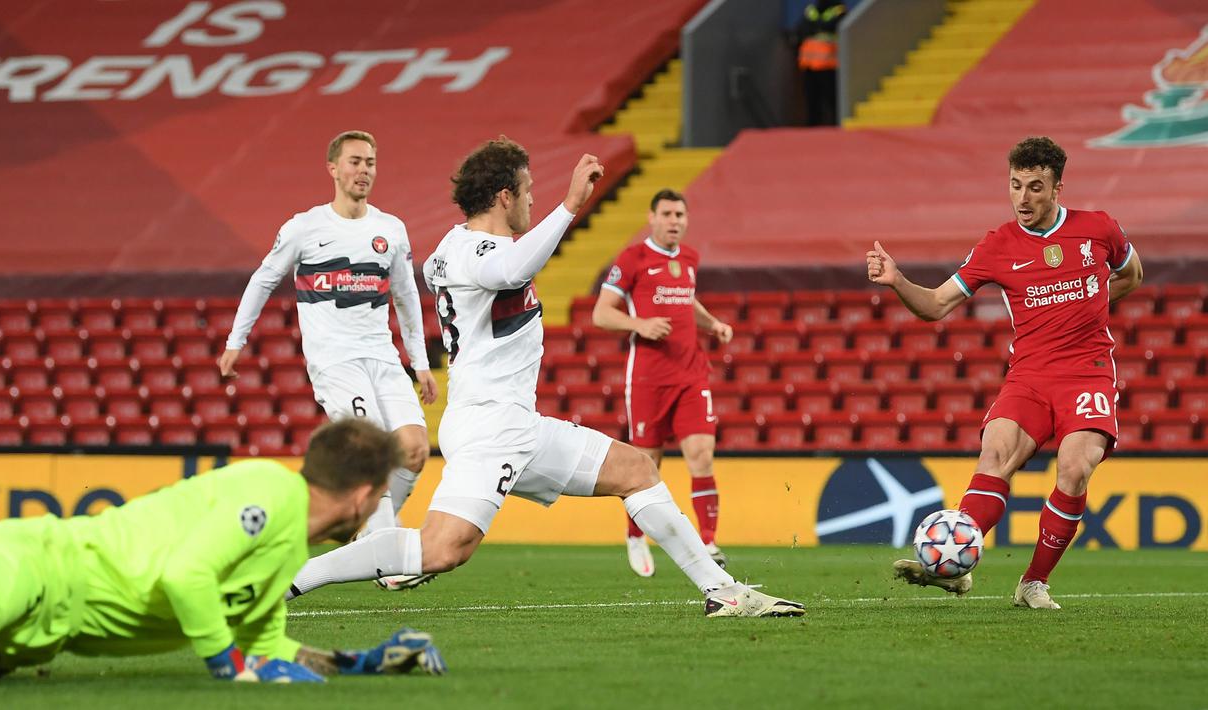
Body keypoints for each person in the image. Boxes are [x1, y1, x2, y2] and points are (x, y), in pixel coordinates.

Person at [285, 137, 805, 618]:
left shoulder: (457, 247)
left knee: (636, 470)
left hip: (518, 424)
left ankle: (723, 593)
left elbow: (493, 268)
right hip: (489, 426)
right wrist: (570, 206)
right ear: (505, 196)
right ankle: (299, 576)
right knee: (440, 550)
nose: (534, 201)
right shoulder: (471, 251)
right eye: (529, 191)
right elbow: (509, 271)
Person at [866, 136, 1144, 609]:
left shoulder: (1098, 228)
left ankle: (1033, 582)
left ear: (1058, 187)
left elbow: (1132, 273)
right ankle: (956, 566)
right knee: (994, 455)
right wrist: (897, 280)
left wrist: (1089, 305)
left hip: (1086, 373)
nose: (1023, 198)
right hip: (1029, 376)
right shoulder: (997, 245)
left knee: (1075, 468)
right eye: (1015, 186)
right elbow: (935, 306)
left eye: (1035, 187)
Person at [0, 419, 447, 680]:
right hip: (39, 567)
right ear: (364, 495)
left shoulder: (286, 550)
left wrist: (364, 663)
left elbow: (267, 651)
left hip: (32, 638)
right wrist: (228, 666)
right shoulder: (271, 492)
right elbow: (185, 576)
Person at [218, 130, 438, 591]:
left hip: (381, 355)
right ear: (333, 169)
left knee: (415, 449)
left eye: (371, 162)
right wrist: (236, 340)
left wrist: (419, 362)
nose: (364, 170)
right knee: (369, 452)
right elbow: (262, 280)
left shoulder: (390, 230)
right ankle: (388, 557)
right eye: (355, 162)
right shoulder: (305, 227)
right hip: (335, 361)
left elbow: (405, 297)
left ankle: (371, 543)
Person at [592, 189, 733, 578]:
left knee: (702, 453)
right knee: (645, 464)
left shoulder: (689, 259)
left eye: (680, 214)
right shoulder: (632, 258)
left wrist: (713, 324)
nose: (674, 221)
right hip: (649, 379)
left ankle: (707, 541)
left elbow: (688, 301)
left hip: (691, 373)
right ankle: (635, 534)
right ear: (651, 217)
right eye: (667, 214)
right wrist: (640, 324)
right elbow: (601, 313)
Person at [789, 0, 847, 126]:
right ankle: (812, 130)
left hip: (829, 66)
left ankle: (836, 128)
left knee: (832, 102)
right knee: (812, 102)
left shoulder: (839, 10)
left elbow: (831, 26)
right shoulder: (811, 10)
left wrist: (815, 26)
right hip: (809, 65)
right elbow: (801, 29)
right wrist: (819, 26)